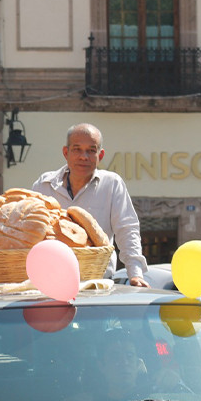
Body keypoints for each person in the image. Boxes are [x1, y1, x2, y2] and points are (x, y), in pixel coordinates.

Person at [32, 123, 149, 287]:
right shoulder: (44, 185)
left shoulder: (112, 184)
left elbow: (127, 229)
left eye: (91, 150)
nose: (84, 156)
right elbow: (30, 231)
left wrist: (135, 274)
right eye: (77, 149)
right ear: (66, 152)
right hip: (49, 282)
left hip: (97, 284)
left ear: (100, 155)